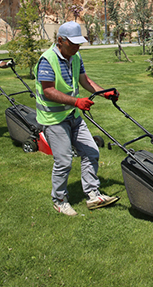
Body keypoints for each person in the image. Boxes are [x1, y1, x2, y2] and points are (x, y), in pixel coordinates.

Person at [34, 21, 120, 216]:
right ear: (60, 41)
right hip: (53, 118)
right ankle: (59, 200)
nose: (77, 47)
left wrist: (103, 92)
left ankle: (92, 194)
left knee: (91, 151)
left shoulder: (75, 56)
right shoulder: (47, 60)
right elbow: (48, 91)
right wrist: (76, 102)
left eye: (78, 43)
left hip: (73, 115)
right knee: (64, 161)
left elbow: (85, 80)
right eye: (73, 43)